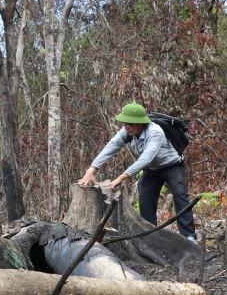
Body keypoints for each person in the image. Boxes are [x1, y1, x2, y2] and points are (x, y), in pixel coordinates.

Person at [76, 102, 197, 243]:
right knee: (145, 195)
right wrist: (92, 169)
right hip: (152, 169)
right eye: (124, 123)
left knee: (179, 194)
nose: (126, 126)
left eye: (130, 124)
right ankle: (150, 236)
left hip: (172, 166)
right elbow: (112, 146)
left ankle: (189, 237)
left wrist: (122, 177)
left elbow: (145, 159)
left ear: (140, 123)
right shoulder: (127, 132)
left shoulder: (156, 132)